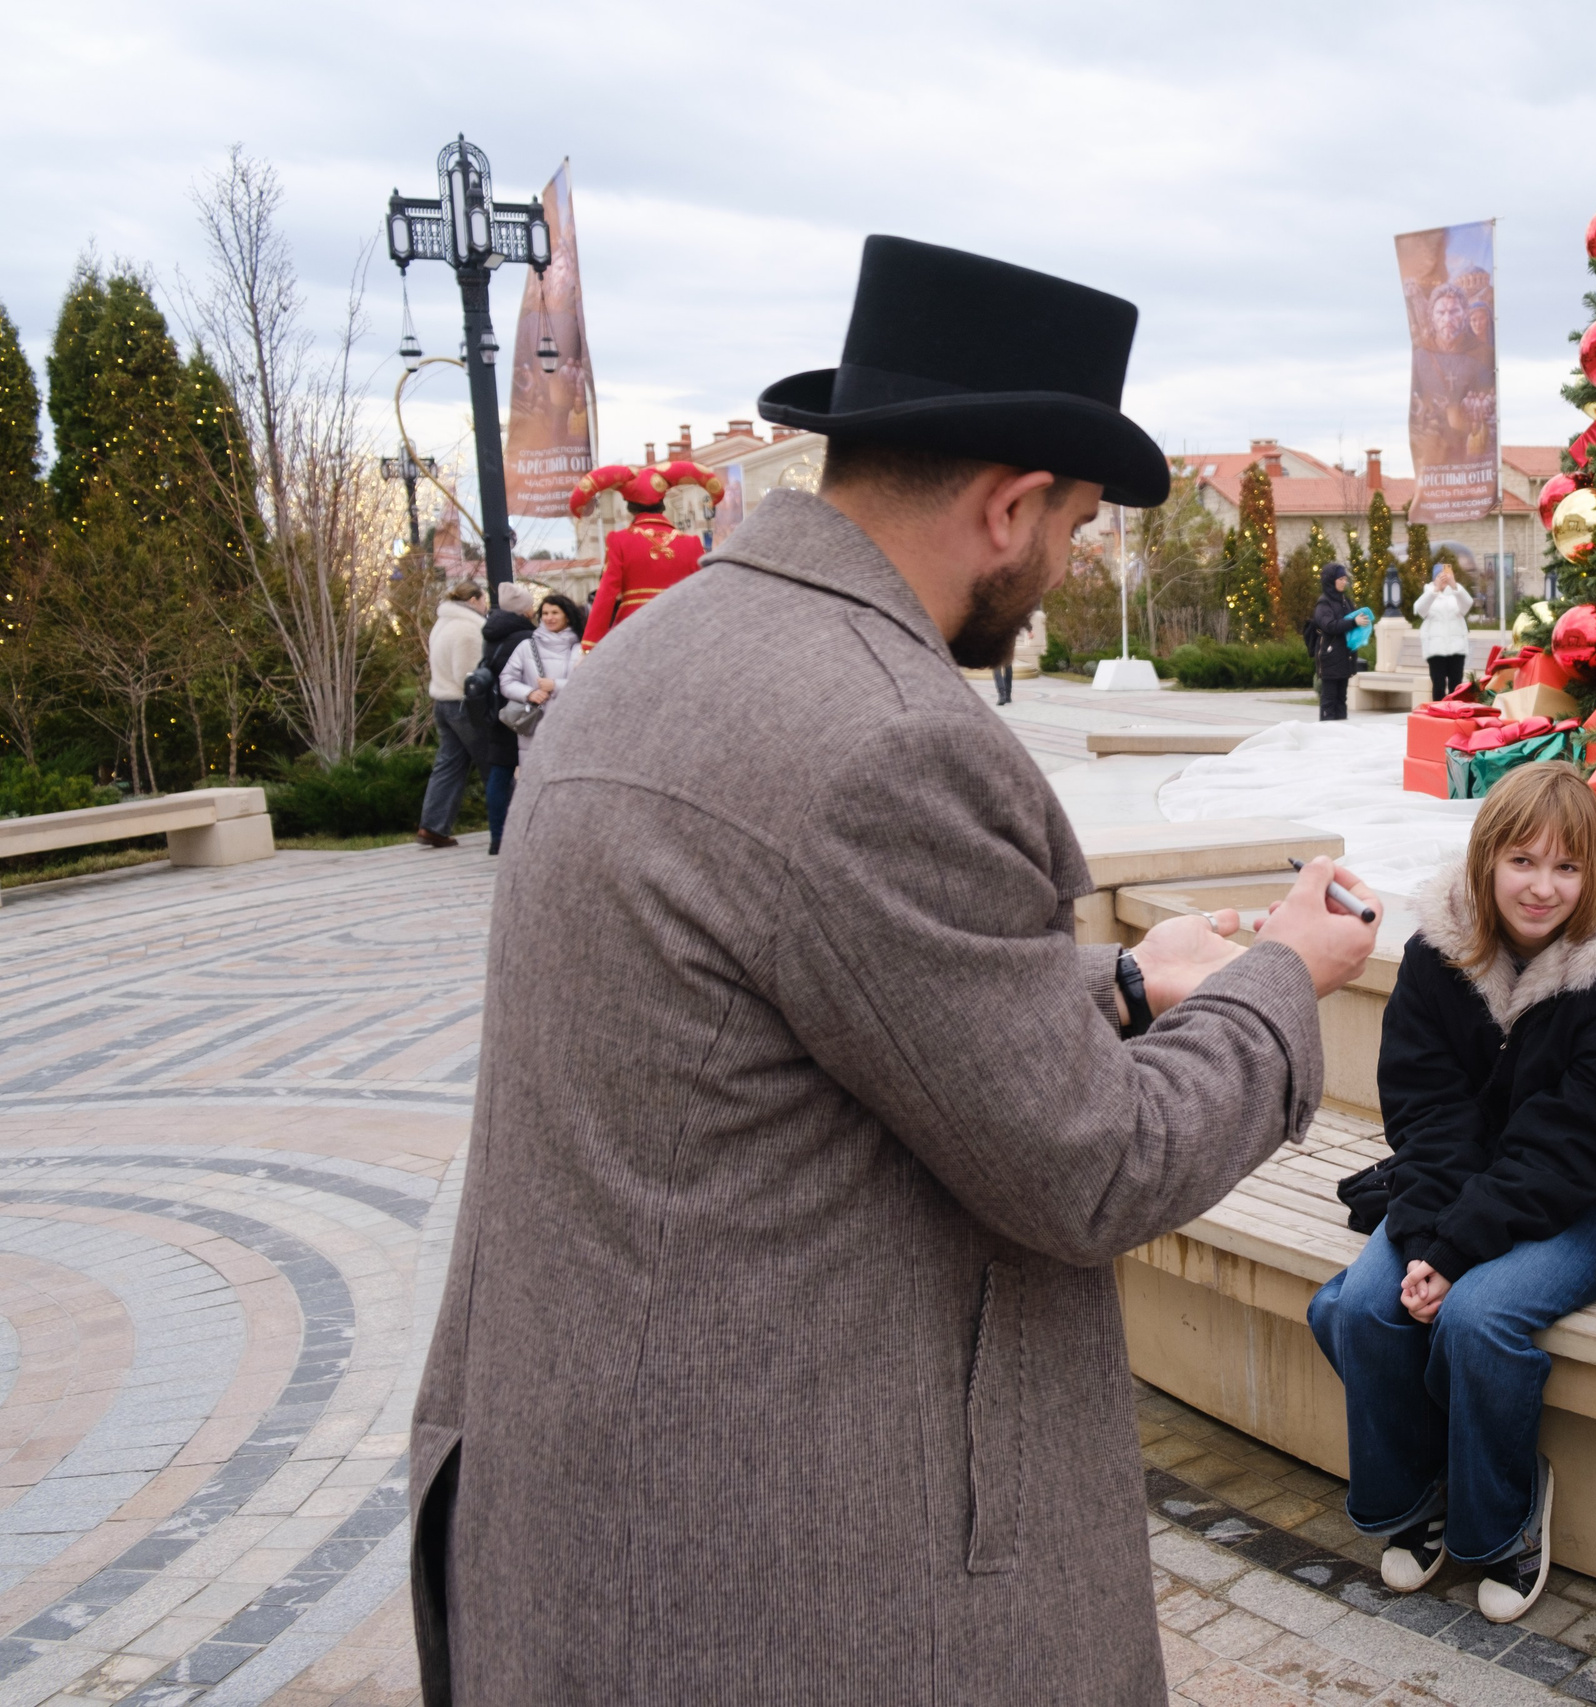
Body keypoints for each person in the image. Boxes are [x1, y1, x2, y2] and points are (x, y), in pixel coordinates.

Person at [407, 234, 1382, 1706]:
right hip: (793, 1574)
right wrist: (1284, 976)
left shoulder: (651, 661)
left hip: (585, 1511)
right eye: (1073, 529)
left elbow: (793, 1015)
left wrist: (1118, 990)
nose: (1066, 570)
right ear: (1006, 506)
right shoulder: (894, 739)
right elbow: (1096, 1169)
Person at [1311, 763, 1596, 1625]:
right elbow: (1426, 1113)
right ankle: (1421, 1498)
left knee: (1477, 1315)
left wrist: (1455, 1255)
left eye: (1567, 867)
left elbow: (1575, 1141)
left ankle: (1503, 1517)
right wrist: (1426, 1242)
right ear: (1487, 858)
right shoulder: (1437, 956)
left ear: (1592, 873)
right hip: (1464, 1190)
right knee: (1357, 1308)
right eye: (1524, 860)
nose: (1544, 886)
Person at [572, 461, 726, 651]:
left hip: (633, 633)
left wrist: (589, 645)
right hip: (683, 634)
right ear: (662, 505)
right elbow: (704, 593)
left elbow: (607, 593)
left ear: (630, 508)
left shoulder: (619, 541)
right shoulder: (692, 543)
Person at [418, 581, 490, 850]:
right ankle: (510, 823)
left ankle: (433, 825)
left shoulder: (442, 623)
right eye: (483, 601)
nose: (485, 607)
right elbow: (468, 676)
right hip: (464, 705)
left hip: (442, 701)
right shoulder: (468, 629)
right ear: (473, 600)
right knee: (492, 764)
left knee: (448, 765)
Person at [472, 585, 538, 856]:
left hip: (498, 713)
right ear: (524, 609)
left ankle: (497, 836)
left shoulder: (491, 635)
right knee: (533, 770)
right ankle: (531, 832)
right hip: (525, 713)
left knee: (499, 773)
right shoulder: (527, 637)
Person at [496, 592, 584, 739]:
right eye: (545, 613)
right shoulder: (526, 647)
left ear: (567, 616)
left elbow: (588, 685)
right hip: (534, 728)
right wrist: (529, 693)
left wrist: (555, 685)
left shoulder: (581, 649)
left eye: (555, 613)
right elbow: (506, 681)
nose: (549, 618)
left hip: (571, 726)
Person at [1307, 561, 1363, 721]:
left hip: (1345, 656)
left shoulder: (1345, 600)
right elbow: (1329, 625)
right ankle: (1327, 735)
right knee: (1329, 700)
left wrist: (1361, 622)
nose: (1344, 582)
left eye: (1345, 579)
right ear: (1331, 580)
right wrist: (1353, 622)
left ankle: (1341, 733)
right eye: (1340, 579)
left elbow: (1353, 618)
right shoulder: (1324, 603)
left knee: (1341, 699)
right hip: (1330, 657)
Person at [1412, 561, 1473, 701]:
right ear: (1434, 578)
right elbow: (1420, 610)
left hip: (1457, 649)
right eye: (1440, 576)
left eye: (1446, 575)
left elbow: (1467, 604)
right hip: (1436, 650)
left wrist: (1454, 586)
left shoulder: (1457, 593)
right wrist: (1435, 590)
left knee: (1456, 686)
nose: (1443, 578)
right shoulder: (1428, 593)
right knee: (1438, 685)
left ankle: (1454, 714)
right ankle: (1439, 715)